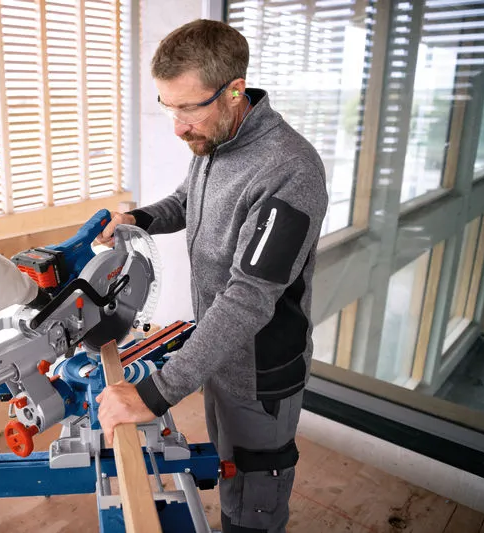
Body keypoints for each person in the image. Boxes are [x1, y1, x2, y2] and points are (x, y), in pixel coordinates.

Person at [94, 19, 328, 533]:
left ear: (235, 90)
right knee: (229, 476)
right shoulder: (216, 139)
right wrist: (137, 220)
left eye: (189, 109)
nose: (178, 127)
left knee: (253, 501)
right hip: (218, 354)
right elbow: (188, 201)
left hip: (260, 374)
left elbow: (248, 298)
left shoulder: (290, 171)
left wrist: (156, 392)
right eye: (169, 107)